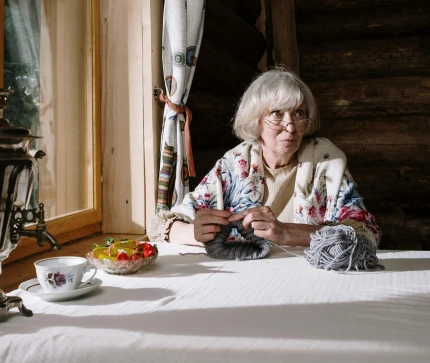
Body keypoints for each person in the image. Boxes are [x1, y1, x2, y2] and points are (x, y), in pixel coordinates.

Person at [148, 68, 379, 250]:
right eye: (277, 114)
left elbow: (365, 233)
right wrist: (193, 233)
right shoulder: (234, 164)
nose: (290, 126)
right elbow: (160, 226)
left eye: (299, 113)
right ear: (255, 120)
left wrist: (286, 233)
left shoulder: (326, 162)